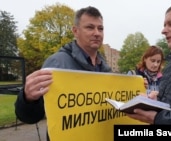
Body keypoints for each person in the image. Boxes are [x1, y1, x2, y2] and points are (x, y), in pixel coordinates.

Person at [15, 6, 111, 141]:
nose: (97, 33)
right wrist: (27, 98)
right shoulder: (57, 63)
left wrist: (134, 91)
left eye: (100, 28)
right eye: (90, 27)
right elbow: (30, 117)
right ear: (75, 31)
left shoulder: (105, 68)